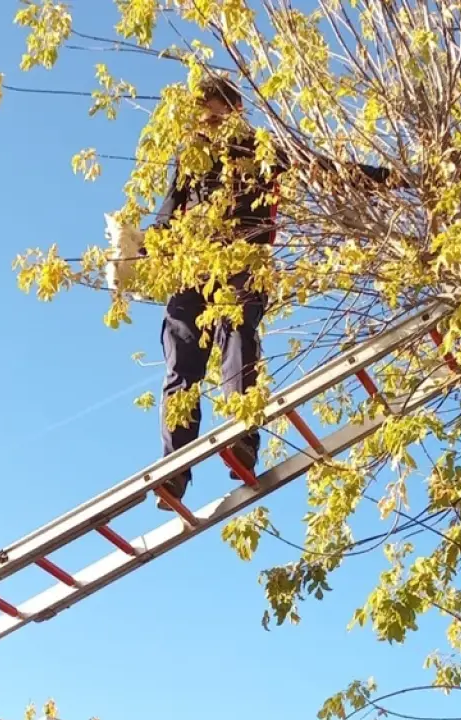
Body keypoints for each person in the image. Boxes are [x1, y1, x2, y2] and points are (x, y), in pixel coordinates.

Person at [150, 74, 398, 507]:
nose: (204, 122)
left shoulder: (262, 149)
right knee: (181, 363)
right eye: (200, 114)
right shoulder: (190, 156)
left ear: (232, 111)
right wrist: (147, 244)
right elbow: (168, 211)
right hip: (193, 270)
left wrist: (389, 179)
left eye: (211, 112)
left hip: (243, 261)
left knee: (237, 334)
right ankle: (176, 467)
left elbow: (322, 168)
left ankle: (242, 437)